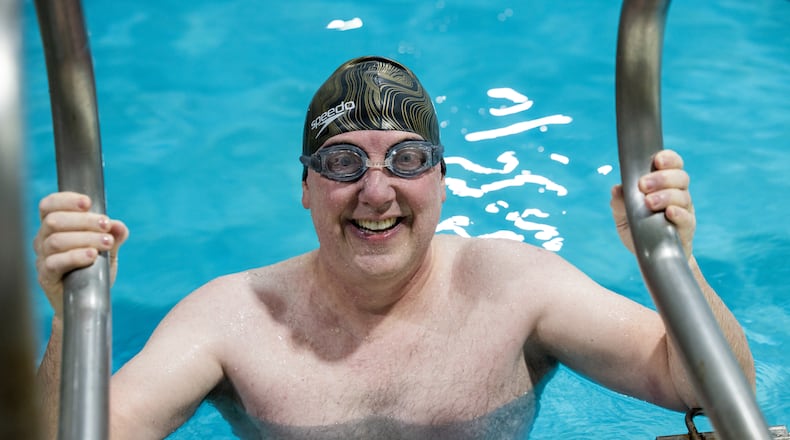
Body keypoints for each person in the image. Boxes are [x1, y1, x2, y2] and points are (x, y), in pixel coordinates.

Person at [34, 56, 755, 439]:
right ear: (307, 189)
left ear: (441, 182)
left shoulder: (513, 287)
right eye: (343, 162)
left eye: (406, 160)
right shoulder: (231, 319)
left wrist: (673, 266)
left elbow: (707, 390)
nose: (376, 193)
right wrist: (72, 320)